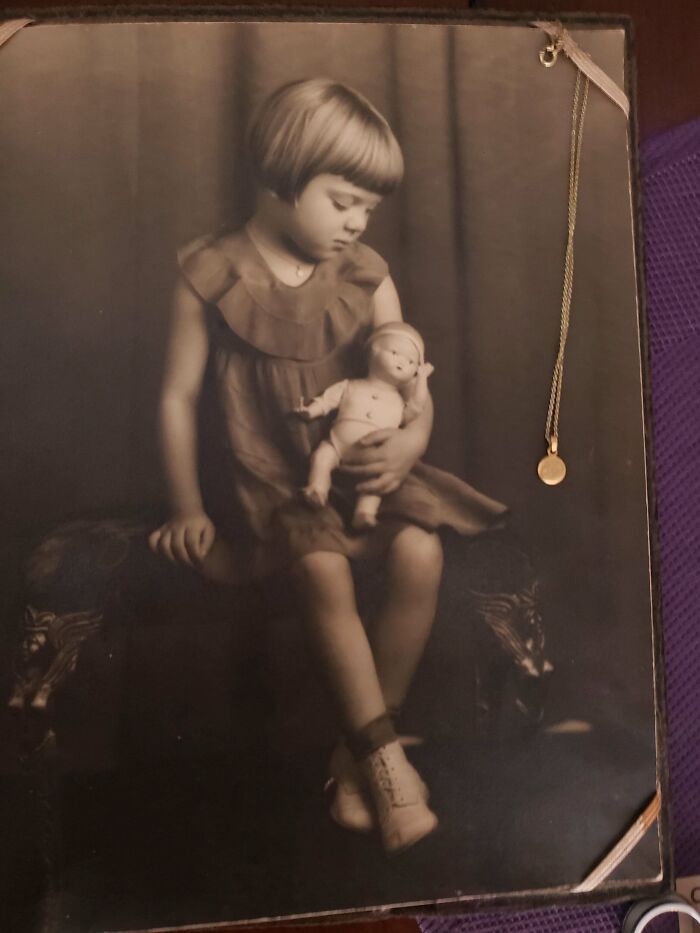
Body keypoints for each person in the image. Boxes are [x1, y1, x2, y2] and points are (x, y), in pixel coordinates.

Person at [148, 77, 507, 854]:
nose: (356, 222)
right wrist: (186, 505)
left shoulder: (366, 274)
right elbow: (176, 397)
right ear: (282, 176)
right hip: (271, 480)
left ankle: (357, 755)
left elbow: (414, 386)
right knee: (322, 569)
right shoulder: (211, 272)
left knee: (421, 549)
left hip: (361, 478)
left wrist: (413, 443)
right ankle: (386, 768)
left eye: (367, 208)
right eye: (342, 200)